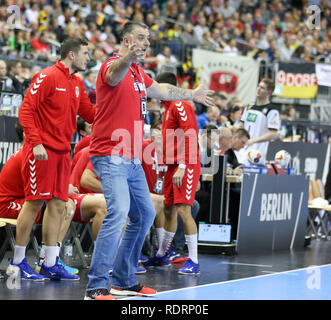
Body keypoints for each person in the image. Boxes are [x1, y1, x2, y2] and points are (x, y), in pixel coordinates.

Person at [85, 21, 214, 300]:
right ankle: (96, 286)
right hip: (110, 153)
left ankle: (123, 280)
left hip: (131, 157)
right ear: (127, 39)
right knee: (118, 212)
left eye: (148, 39)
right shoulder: (113, 65)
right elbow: (113, 75)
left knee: (144, 215)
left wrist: (191, 94)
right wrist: (127, 57)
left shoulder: (137, 71)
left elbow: (161, 90)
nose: (146, 43)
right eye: (141, 38)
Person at [7, 38, 95, 282]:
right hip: (41, 151)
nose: (88, 58)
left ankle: (49, 263)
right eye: (85, 53)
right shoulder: (46, 76)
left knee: (58, 204)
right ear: (71, 54)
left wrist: (117, 109)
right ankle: (17, 263)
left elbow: (90, 114)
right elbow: (26, 110)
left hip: (62, 152)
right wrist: (35, 143)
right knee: (34, 203)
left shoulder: (77, 83)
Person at [1, 122, 80, 279]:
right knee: (63, 206)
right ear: (26, 134)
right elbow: (39, 190)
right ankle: (46, 260)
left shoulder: (30, 152)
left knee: (66, 204)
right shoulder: (27, 155)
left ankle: (50, 259)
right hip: (6, 204)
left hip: (20, 199)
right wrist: (63, 188)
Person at [143, 72, 201, 275]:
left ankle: (193, 260)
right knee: (168, 209)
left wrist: (184, 166)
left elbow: (191, 134)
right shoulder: (168, 109)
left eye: (158, 87)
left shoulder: (180, 104)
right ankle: (162, 254)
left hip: (185, 164)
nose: (156, 92)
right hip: (172, 166)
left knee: (184, 210)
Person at [141, 119, 199, 261]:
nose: (161, 134)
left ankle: (173, 247)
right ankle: (158, 248)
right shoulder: (144, 147)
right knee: (163, 203)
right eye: (158, 130)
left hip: (164, 194)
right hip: (146, 193)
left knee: (192, 205)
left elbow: (192, 178)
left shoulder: (176, 152)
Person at [236, 78, 280, 165]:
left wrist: (253, 140)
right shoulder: (249, 107)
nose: (258, 89)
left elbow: (273, 133)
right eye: (258, 86)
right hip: (241, 150)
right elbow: (241, 126)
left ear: (269, 92)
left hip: (257, 153)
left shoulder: (272, 110)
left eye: (262, 88)